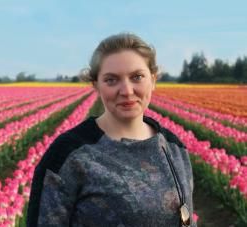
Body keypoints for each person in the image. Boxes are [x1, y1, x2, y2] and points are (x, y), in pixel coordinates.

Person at [27, 32, 196, 227]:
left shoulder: (174, 147)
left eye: (137, 77)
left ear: (153, 79)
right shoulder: (68, 154)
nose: (126, 91)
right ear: (96, 85)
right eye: (111, 80)